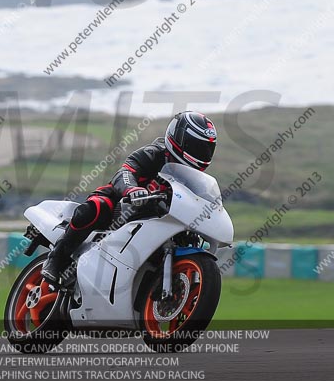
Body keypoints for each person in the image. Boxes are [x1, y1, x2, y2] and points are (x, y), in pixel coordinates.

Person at [41, 110, 218, 285]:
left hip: (160, 221)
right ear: (180, 139)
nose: (202, 154)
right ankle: (56, 259)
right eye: (198, 147)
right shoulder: (154, 153)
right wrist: (132, 190)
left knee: (190, 237)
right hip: (121, 205)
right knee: (95, 208)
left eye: (207, 149)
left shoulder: (193, 178)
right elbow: (125, 172)